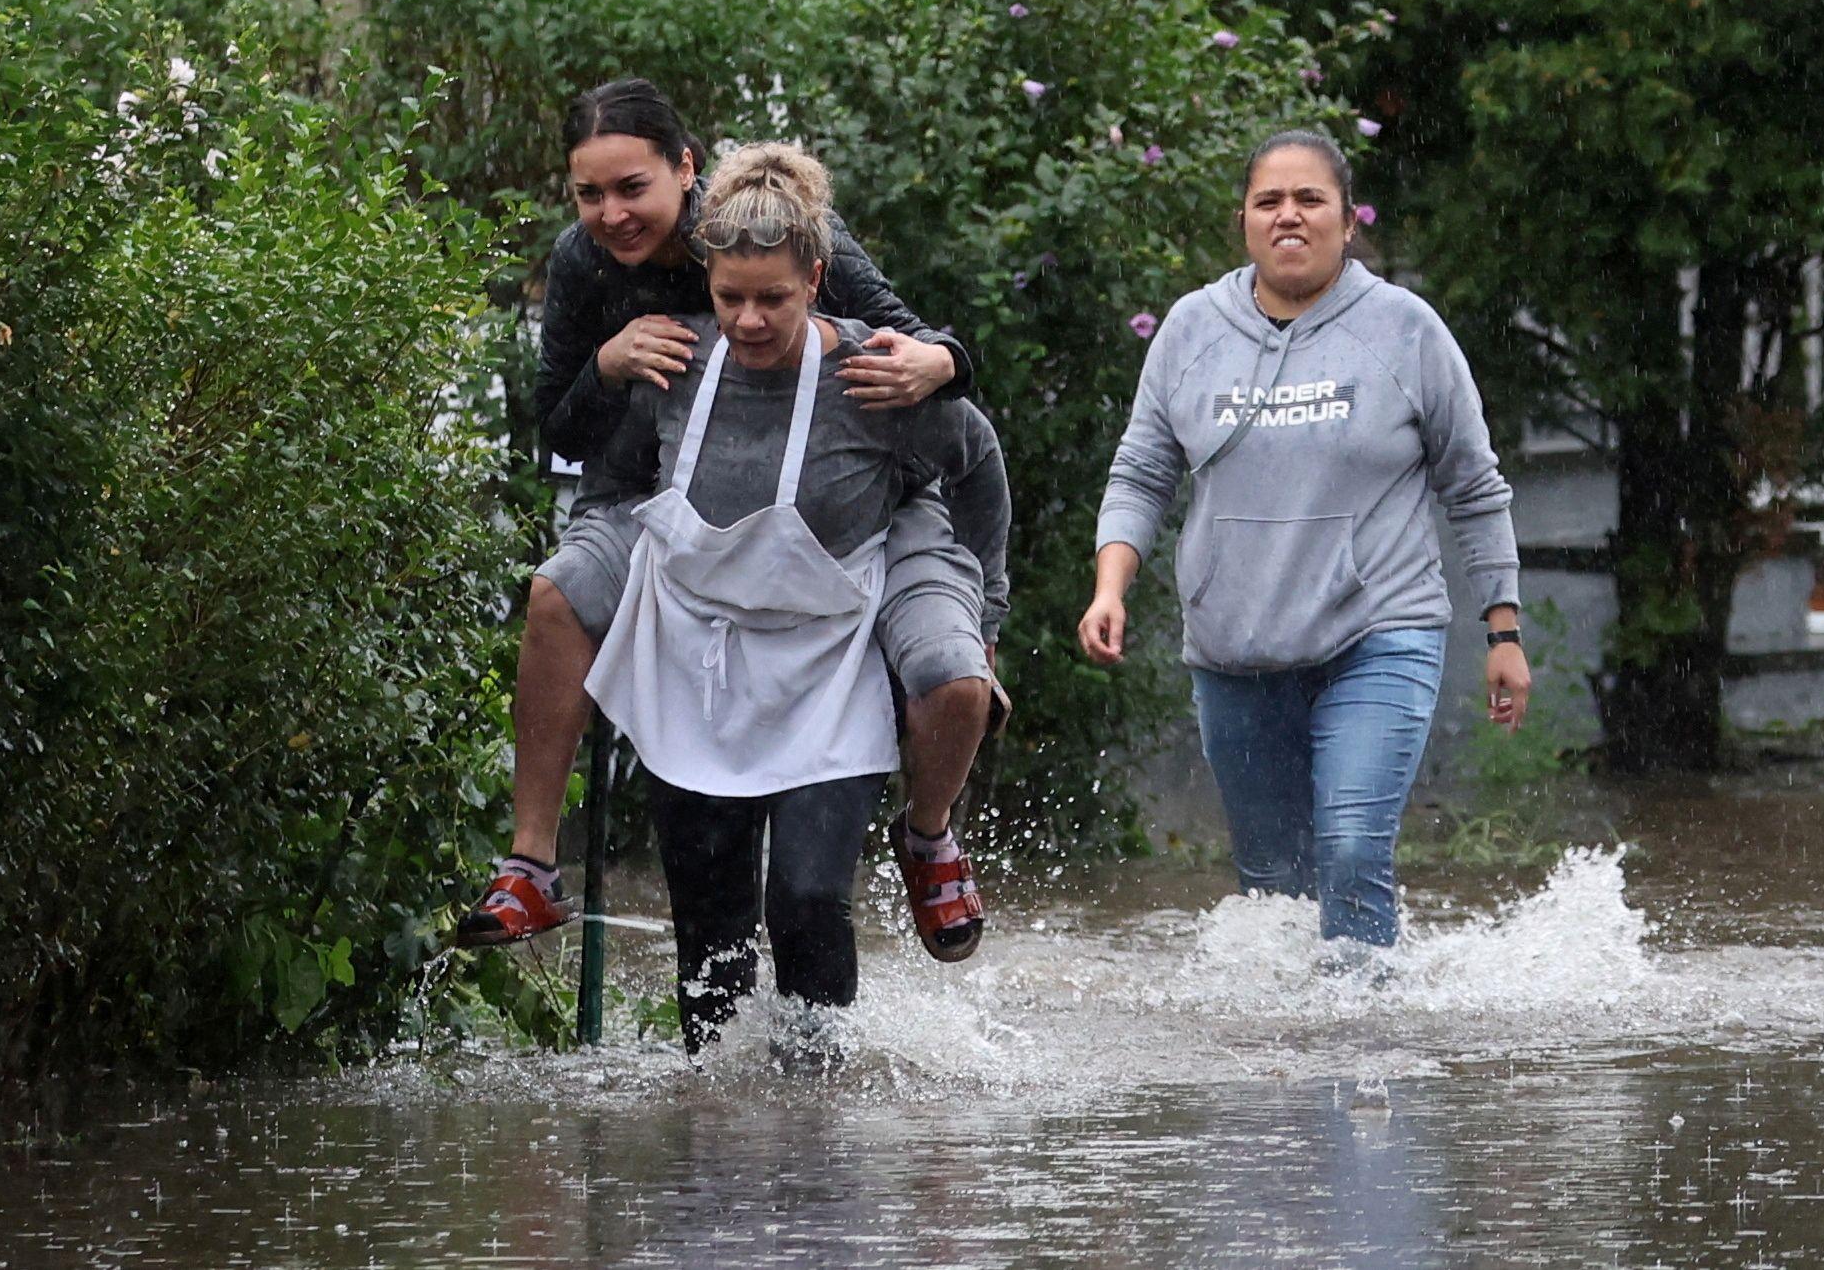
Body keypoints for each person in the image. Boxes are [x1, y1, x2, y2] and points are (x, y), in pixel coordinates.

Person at [455, 80, 982, 951]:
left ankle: (928, 834)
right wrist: (609, 364)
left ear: (685, 170)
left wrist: (941, 361)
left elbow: (918, 349)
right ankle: (532, 864)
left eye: (633, 188)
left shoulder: (774, 225)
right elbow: (558, 430)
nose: (612, 214)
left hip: (838, 496)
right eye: (589, 194)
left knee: (945, 658)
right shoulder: (583, 263)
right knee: (554, 595)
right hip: (658, 495)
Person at [585, 143, 1010, 1048]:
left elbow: (977, 463)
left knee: (809, 899)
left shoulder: (879, 378)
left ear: (816, 279)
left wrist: (985, 605)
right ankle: (714, 1141)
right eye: (728, 295)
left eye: (771, 298)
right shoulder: (675, 364)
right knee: (710, 921)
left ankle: (816, 1137)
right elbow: (612, 479)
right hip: (697, 663)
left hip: (831, 660)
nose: (746, 319)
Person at [1077, 128, 1529, 954]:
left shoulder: (1405, 330)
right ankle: (1290, 1077)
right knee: (1273, 886)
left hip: (1378, 629)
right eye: (1269, 201)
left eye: (1309, 199)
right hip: (1235, 645)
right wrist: (1111, 587)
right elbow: (1141, 471)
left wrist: (1502, 630)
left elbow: (1472, 484)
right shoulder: (1189, 330)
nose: (1289, 216)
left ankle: (1365, 1058)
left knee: (1352, 847)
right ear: (1244, 221)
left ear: (1347, 220)